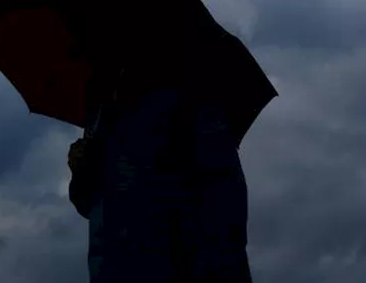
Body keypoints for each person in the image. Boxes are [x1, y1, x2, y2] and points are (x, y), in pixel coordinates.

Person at [66, 49, 253, 283]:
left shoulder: (188, 93)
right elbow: (94, 203)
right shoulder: (102, 100)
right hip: (113, 266)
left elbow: (221, 198)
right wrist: (82, 170)